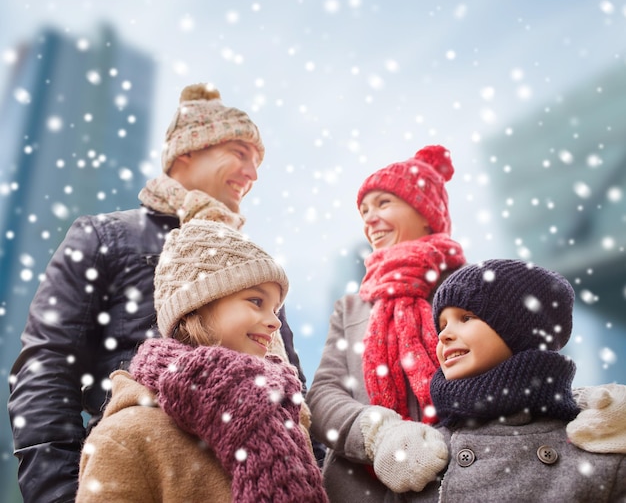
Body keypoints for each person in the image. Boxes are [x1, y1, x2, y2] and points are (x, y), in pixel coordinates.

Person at [8, 83, 309, 503]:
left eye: (257, 162)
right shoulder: (106, 236)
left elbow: (293, 382)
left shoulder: (254, 269)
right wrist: (61, 494)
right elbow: (47, 365)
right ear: (187, 152)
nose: (252, 174)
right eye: (239, 153)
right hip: (144, 472)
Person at [307, 145, 626, 502]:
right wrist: (380, 436)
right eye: (364, 210)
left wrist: (585, 405)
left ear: (426, 212)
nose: (370, 219)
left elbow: (523, 372)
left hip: (467, 473)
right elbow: (322, 396)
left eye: (383, 204)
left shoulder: (476, 288)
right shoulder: (352, 308)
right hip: (361, 488)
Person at [76, 218, 328, 502]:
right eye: (256, 301)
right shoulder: (126, 437)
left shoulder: (287, 417)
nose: (274, 322)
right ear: (198, 305)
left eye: (275, 309)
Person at [387, 258, 626, 502]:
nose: (445, 335)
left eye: (466, 317)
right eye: (442, 325)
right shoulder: (424, 457)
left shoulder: (598, 444)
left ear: (522, 331)